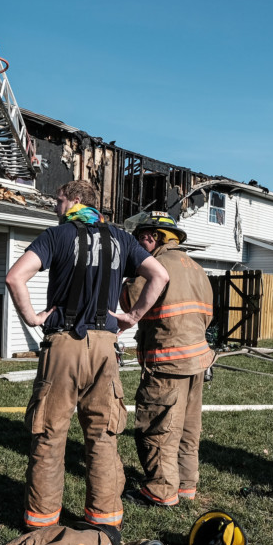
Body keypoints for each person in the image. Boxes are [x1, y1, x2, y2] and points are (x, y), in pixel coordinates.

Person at [5, 180, 168, 531]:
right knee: (103, 434)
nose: (55, 206)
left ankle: (42, 522)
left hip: (63, 344)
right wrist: (133, 317)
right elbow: (160, 274)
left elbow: (15, 277)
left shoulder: (56, 236)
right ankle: (104, 519)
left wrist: (32, 317)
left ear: (76, 201)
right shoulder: (122, 240)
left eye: (59, 200)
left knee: (49, 433)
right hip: (105, 348)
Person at [119, 212, 215, 508]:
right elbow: (207, 315)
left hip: (167, 361)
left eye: (138, 240)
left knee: (157, 425)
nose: (137, 245)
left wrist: (125, 279)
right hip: (198, 359)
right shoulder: (196, 267)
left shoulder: (155, 265)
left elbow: (130, 302)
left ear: (151, 237)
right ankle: (185, 485)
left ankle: (160, 491)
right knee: (187, 426)